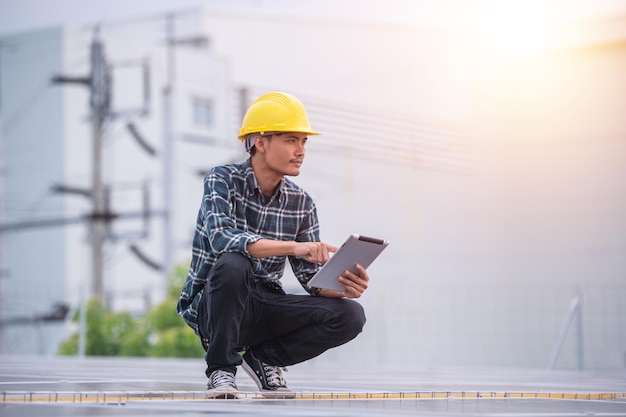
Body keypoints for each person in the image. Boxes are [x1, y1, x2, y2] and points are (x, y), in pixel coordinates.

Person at [176, 91, 369, 399]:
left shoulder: (302, 202)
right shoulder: (222, 180)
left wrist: (343, 286)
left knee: (351, 315)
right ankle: (221, 370)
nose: (301, 151)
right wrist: (293, 247)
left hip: (263, 306)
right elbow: (223, 239)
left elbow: (311, 281)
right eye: (291, 140)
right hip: (214, 307)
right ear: (260, 142)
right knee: (233, 263)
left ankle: (266, 359)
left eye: (304, 142)